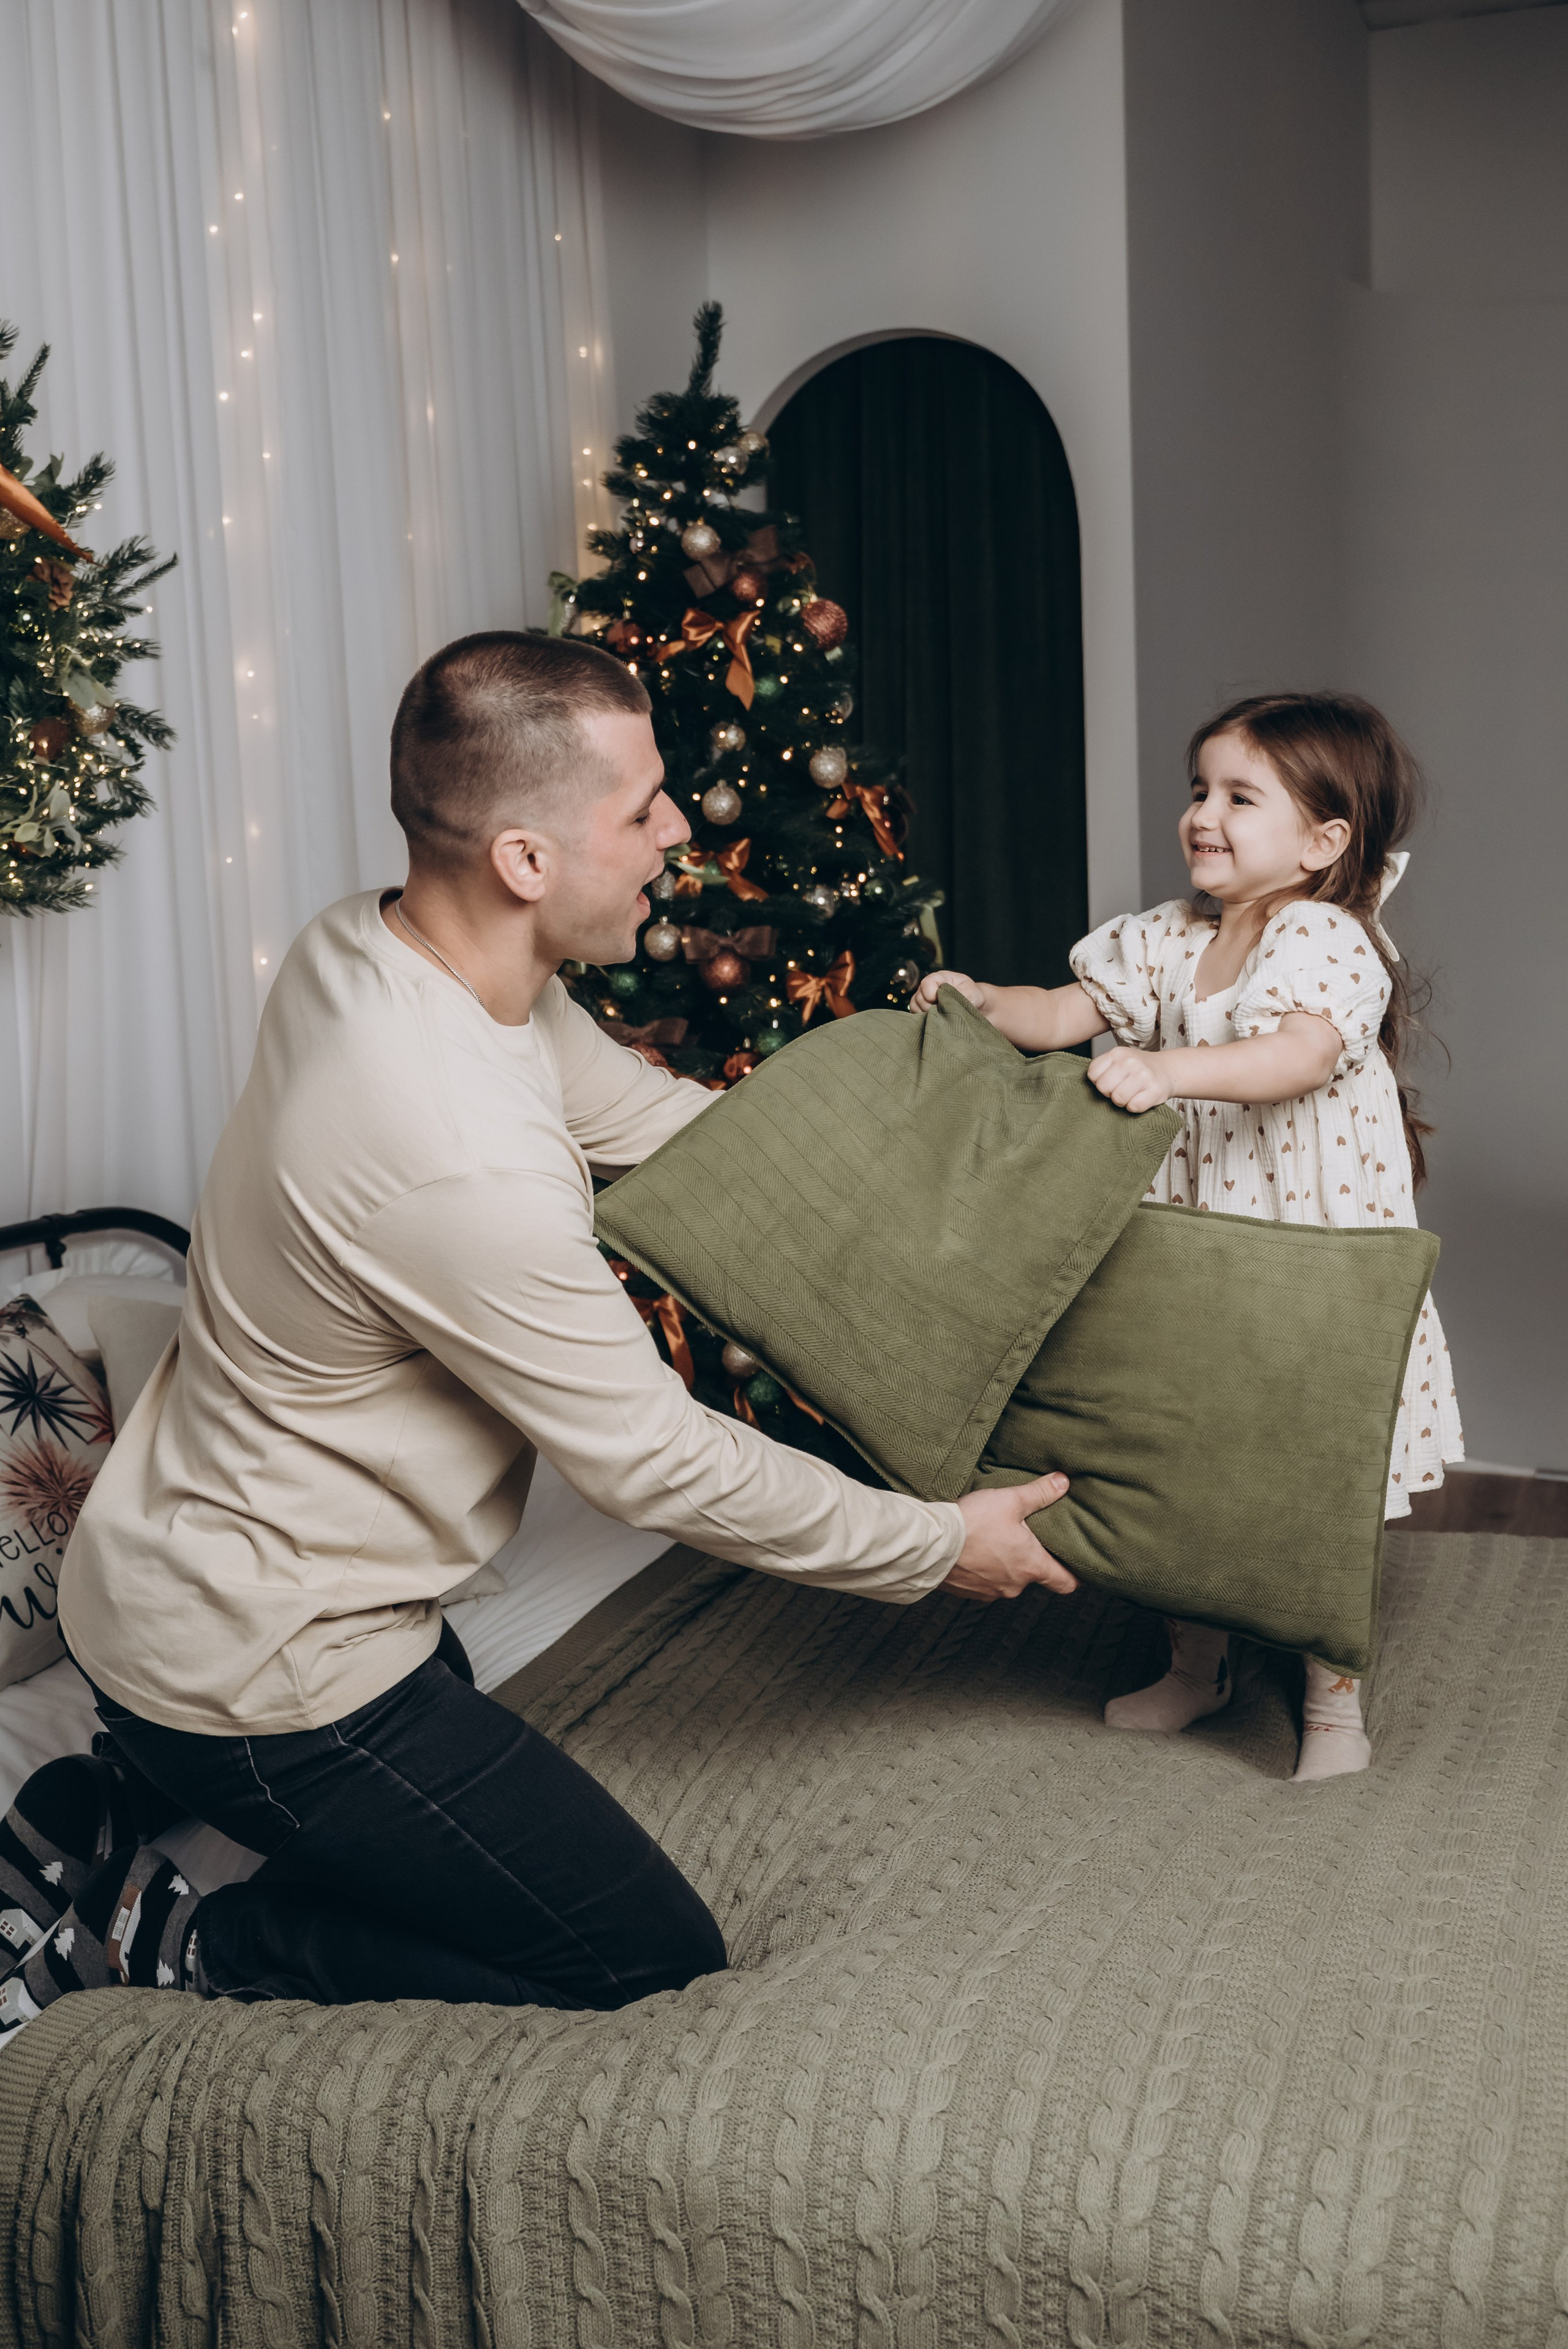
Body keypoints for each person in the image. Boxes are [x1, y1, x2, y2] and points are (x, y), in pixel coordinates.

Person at [0, 632, 1072, 2044]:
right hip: (259, 1667)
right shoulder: (450, 1150)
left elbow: (673, 1142)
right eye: (641, 808)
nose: (679, 829)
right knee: (638, 1957)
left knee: (451, 1764)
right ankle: (190, 1933)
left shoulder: (374, 945)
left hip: (196, 1594)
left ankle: (134, 1794)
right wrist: (938, 1546)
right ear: (521, 860)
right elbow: (655, 1466)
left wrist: (944, 1182)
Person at [911, 690, 1462, 1782]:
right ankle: (1197, 1663)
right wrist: (981, 999)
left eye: (1239, 796)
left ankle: (1332, 1696)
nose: (1203, 814)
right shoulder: (1169, 937)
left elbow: (1295, 1058)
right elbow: (1064, 1013)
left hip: (1309, 1270)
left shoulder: (1328, 938)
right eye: (1198, 789)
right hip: (1192, 1263)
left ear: (1323, 841)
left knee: (1310, 1477)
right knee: (1182, 1464)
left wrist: (1168, 1070)